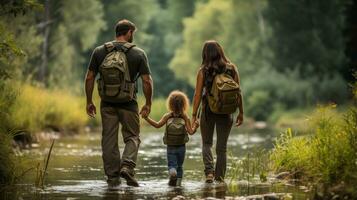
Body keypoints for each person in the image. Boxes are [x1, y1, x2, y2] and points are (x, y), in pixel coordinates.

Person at [84, 19, 153, 187]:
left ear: (116, 32)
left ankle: (113, 178)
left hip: (107, 103)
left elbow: (89, 77)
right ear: (128, 32)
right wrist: (148, 103)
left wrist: (89, 101)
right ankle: (127, 166)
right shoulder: (138, 53)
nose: (132, 36)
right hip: (129, 103)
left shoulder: (99, 51)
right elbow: (147, 81)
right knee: (132, 137)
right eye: (132, 33)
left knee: (108, 139)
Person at [191, 40, 244, 183]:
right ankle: (220, 179)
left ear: (205, 54)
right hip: (227, 112)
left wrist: (194, 115)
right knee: (222, 149)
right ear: (220, 51)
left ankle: (209, 173)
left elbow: (197, 95)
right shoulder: (232, 68)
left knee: (207, 144)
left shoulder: (203, 70)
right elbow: (238, 92)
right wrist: (241, 113)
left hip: (208, 111)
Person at [143, 90, 198, 186]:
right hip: (182, 147)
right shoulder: (185, 117)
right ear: (184, 104)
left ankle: (172, 172)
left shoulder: (168, 116)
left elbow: (157, 125)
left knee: (172, 165)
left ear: (171, 104)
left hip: (170, 147)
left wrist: (146, 118)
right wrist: (196, 126)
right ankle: (179, 185)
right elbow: (191, 132)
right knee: (180, 166)